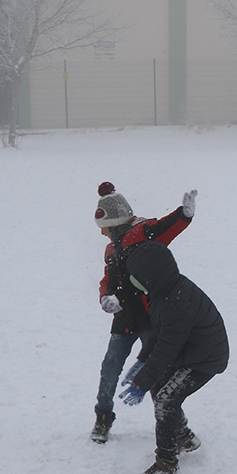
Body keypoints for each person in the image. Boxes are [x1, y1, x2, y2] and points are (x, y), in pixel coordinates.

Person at [89, 182, 196, 444]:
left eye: (103, 226)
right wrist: (105, 296)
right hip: (124, 319)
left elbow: (167, 226)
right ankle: (103, 417)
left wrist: (184, 214)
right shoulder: (111, 249)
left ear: (114, 222)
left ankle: (179, 428)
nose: (101, 232)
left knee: (157, 373)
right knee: (110, 368)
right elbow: (108, 279)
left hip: (151, 317)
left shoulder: (143, 232)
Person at [119, 241, 228, 474]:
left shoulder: (175, 302)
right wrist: (142, 362)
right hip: (189, 350)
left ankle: (166, 464)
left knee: (165, 400)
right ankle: (183, 437)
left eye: (136, 276)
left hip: (205, 358)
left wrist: (143, 379)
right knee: (160, 389)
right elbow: (160, 334)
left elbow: (167, 349)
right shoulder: (166, 291)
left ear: (149, 276)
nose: (133, 281)